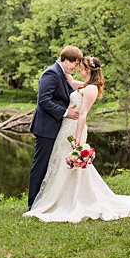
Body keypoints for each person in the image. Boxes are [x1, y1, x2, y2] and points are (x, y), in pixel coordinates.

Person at [24, 56, 130, 222]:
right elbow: (68, 79)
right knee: (59, 164)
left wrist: (78, 138)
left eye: (82, 66)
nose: (78, 68)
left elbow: (83, 114)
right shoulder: (83, 85)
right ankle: (54, 199)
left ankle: (72, 200)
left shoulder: (92, 89)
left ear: (89, 70)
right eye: (77, 65)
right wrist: (62, 60)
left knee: (73, 167)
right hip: (65, 129)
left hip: (74, 130)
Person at [27, 45, 83, 211]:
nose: (75, 67)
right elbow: (43, 100)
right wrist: (66, 112)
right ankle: (32, 204)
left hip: (55, 128)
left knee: (50, 166)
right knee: (41, 166)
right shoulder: (51, 73)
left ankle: (44, 200)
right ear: (65, 60)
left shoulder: (63, 73)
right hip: (46, 128)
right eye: (74, 63)